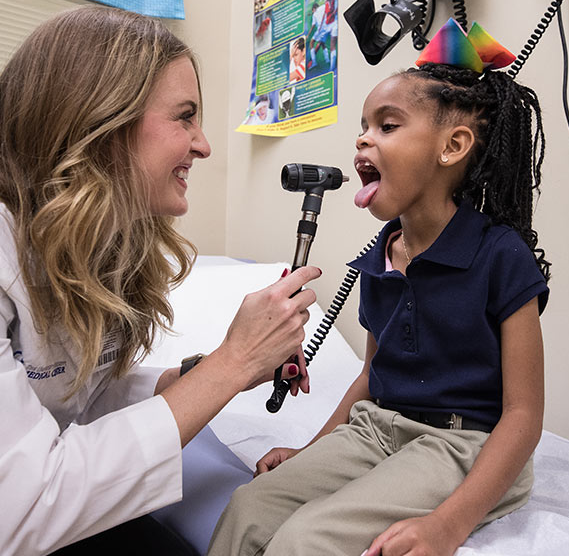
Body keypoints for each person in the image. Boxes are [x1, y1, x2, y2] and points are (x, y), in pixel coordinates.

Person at [0, 6, 320, 556]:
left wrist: (216, 371)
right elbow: (20, 508)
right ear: (103, 121)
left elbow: (69, 393)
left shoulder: (78, 234)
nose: (203, 145)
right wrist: (232, 363)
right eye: (185, 117)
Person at [208, 28, 550, 556]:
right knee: (246, 508)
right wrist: (311, 451)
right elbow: (372, 376)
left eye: (386, 126)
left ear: (452, 146)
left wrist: (447, 526)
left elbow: (524, 415)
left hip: (461, 444)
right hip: (375, 430)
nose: (363, 140)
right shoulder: (377, 259)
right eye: (363, 128)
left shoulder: (500, 256)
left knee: (306, 539)